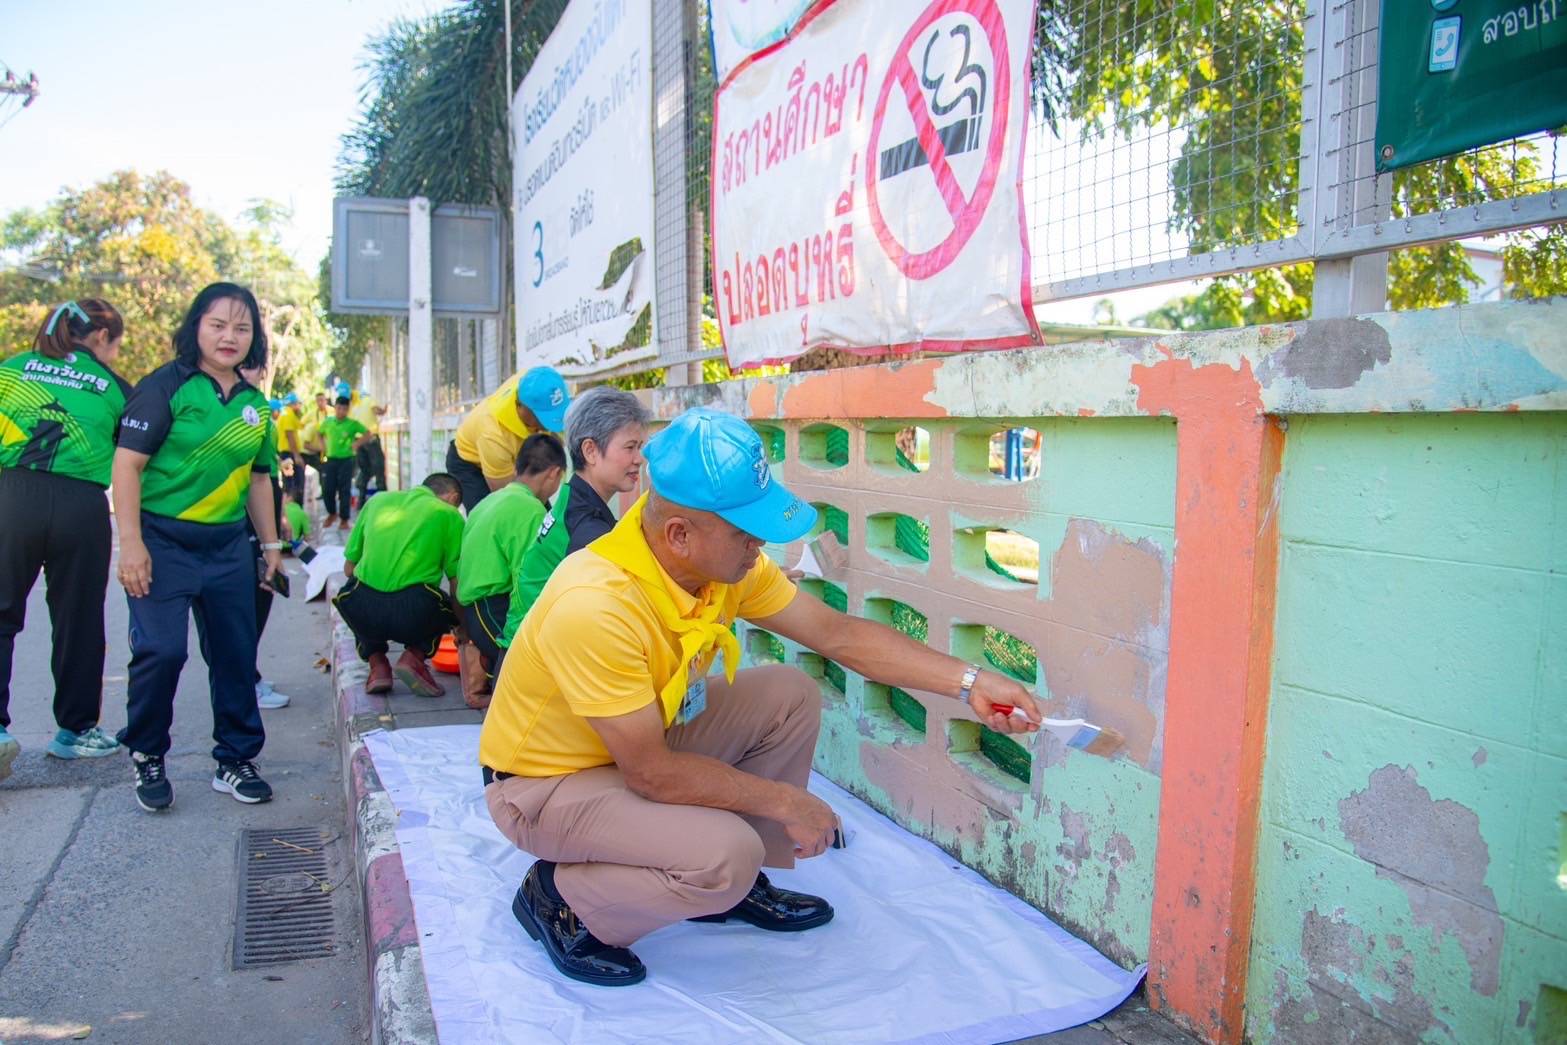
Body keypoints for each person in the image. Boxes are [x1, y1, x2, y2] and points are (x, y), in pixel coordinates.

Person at [481, 408, 1043, 986]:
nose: (761, 545)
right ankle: (562, 897)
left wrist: (970, 682)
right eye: (746, 531)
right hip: (543, 786)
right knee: (723, 855)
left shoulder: (721, 564)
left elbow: (838, 635)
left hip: (631, 744)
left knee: (788, 694)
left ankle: (734, 891)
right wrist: (785, 802)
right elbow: (651, 774)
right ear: (680, 535)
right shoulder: (597, 603)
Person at [113, 282, 284, 812]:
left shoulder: (255, 405)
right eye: (218, 324)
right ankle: (147, 753)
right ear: (196, 327)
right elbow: (127, 465)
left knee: (235, 655)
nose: (230, 337)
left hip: (228, 546)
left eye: (242, 327)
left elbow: (259, 479)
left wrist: (272, 542)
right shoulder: (165, 387)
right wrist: (132, 545)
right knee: (162, 652)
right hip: (162, 543)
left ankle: (235, 759)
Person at [0, 299, 132, 780]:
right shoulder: (113, 387)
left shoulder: (11, 369)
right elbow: (134, 452)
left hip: (10, 496)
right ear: (100, 338)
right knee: (78, 619)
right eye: (116, 345)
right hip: (81, 506)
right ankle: (74, 732)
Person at [499, 386, 650, 649]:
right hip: (535, 666)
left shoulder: (573, 499)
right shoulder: (586, 528)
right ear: (590, 451)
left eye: (640, 447)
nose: (640, 458)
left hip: (525, 650)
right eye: (630, 447)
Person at [456, 433, 566, 701]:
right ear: (554, 474)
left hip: (474, 611)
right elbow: (526, 580)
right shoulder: (530, 510)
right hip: (495, 608)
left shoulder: (490, 501)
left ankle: (489, 668)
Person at [334, 472, 464, 698]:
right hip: (413, 610)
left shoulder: (376, 502)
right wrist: (463, 627)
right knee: (446, 605)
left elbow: (348, 569)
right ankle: (414, 657)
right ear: (453, 498)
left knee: (356, 593)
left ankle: (378, 666)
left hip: (363, 609)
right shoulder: (449, 515)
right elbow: (457, 583)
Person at [446, 367, 570, 511]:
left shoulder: (533, 383)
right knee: (494, 514)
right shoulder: (493, 435)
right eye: (543, 418)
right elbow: (508, 498)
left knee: (543, 515)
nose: (547, 426)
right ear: (524, 408)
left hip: (511, 452)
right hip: (469, 463)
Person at [319, 396, 369, 530]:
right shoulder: (328, 422)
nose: (341, 411)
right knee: (327, 488)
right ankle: (331, 513)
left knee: (344, 490)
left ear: (348, 410)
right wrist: (322, 446)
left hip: (347, 460)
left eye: (344, 409)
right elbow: (319, 433)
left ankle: (344, 519)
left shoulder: (353, 424)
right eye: (339, 408)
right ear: (335, 408)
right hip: (330, 459)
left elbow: (368, 433)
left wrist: (357, 443)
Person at [347, 385, 388, 501]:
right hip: (371, 439)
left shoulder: (353, 406)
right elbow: (376, 410)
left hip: (358, 442)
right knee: (379, 467)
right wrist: (384, 410)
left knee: (365, 469)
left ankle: (361, 499)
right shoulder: (369, 400)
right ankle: (383, 499)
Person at [276, 392, 305, 504]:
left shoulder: (285, 413)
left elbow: (300, 426)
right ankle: (292, 512)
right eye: (298, 404)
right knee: (293, 484)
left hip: (286, 454)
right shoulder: (288, 414)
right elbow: (290, 435)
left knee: (290, 482)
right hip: (289, 455)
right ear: (293, 404)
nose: (299, 407)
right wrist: (297, 456)